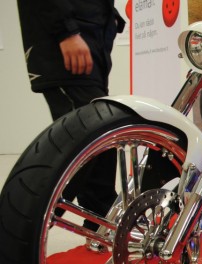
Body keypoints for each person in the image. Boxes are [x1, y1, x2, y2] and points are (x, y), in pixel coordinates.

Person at [17, 0, 125, 234]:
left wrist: (110, 17)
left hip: (91, 38)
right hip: (67, 40)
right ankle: (19, 232)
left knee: (100, 137)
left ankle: (101, 223)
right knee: (78, 147)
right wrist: (67, 31)